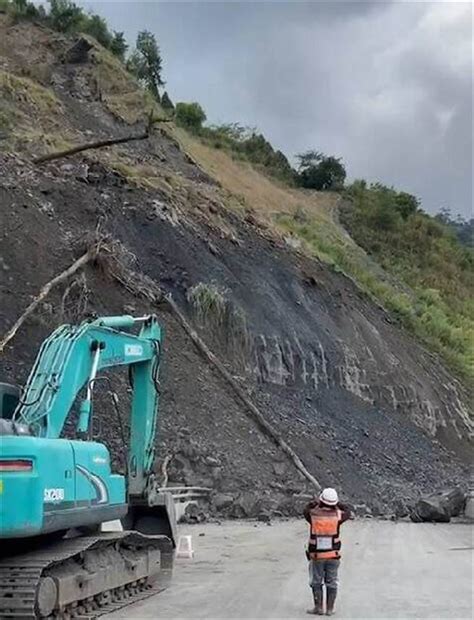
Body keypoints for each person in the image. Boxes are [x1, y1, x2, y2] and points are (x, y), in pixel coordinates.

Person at [303, 488, 351, 616]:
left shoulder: (313, 514)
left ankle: (318, 607)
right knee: (332, 581)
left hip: (317, 556)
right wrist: (337, 504)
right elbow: (348, 511)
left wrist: (314, 502)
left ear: (321, 500)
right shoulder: (338, 516)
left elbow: (306, 510)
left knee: (316, 582)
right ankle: (329, 609)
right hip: (333, 556)